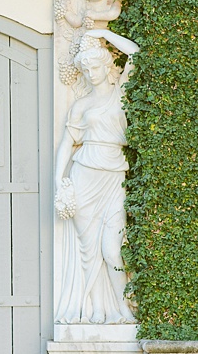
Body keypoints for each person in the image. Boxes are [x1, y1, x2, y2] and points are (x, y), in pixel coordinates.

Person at [54, 29, 139, 324]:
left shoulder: (121, 93)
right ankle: (94, 309)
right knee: (88, 251)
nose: (90, 73)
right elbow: (68, 144)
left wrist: (102, 33)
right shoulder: (82, 105)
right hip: (84, 176)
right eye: (85, 68)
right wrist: (59, 182)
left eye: (95, 67)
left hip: (114, 175)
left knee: (111, 249)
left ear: (106, 66)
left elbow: (136, 53)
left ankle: (122, 307)